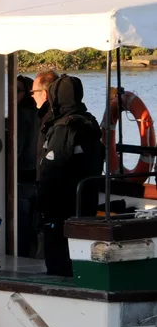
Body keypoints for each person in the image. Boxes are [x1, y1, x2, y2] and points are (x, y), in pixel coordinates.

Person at [36, 74, 104, 277]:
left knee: (58, 260)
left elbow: (51, 169)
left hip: (61, 205)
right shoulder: (88, 123)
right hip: (86, 201)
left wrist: (41, 203)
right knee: (77, 253)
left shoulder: (64, 128)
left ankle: (60, 285)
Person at [17, 75, 39, 257]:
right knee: (31, 222)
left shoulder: (19, 117)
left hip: (23, 177)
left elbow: (17, 149)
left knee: (23, 222)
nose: (13, 95)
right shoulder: (38, 114)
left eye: (17, 91)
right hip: (35, 178)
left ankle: (22, 254)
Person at [31, 69, 60, 179]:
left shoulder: (48, 120)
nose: (32, 96)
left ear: (44, 94)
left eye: (33, 92)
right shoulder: (62, 115)